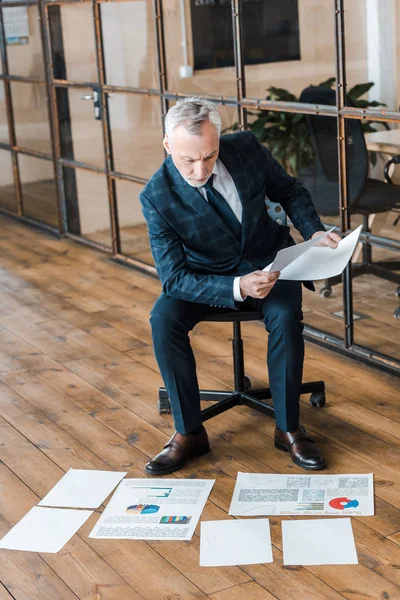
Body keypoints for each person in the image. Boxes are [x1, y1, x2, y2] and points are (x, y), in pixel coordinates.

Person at [140, 97, 341, 475]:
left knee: (284, 316)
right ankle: (189, 432)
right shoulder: (157, 196)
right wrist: (237, 287)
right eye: (188, 160)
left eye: (210, 155)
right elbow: (174, 278)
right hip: (205, 279)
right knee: (162, 319)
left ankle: (288, 428)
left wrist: (312, 230)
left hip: (269, 265)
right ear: (168, 146)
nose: (200, 169)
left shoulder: (246, 148)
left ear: (219, 139)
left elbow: (290, 190)